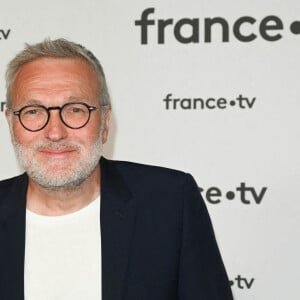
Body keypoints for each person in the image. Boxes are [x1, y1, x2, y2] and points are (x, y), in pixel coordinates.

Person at [0, 38, 233, 300]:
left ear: (105, 122)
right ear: (11, 123)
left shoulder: (170, 203)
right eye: (33, 112)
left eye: (76, 110)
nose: (55, 132)